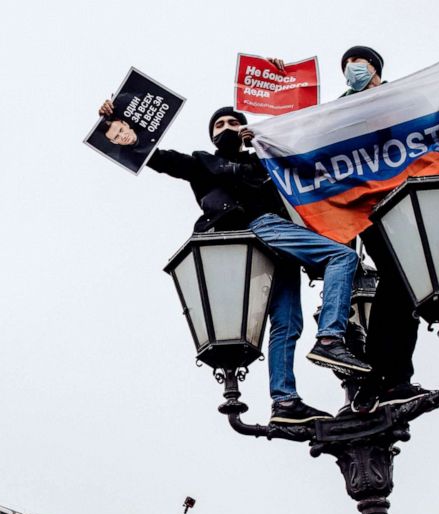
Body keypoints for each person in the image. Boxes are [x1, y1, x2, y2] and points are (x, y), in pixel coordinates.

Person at [98, 100, 371, 425]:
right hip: (259, 228)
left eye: (232, 123)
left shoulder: (265, 163)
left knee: (287, 322)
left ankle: (284, 401)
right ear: (213, 136)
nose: (225, 127)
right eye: (219, 124)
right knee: (342, 256)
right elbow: (159, 159)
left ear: (244, 131)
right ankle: (329, 338)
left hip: (279, 244)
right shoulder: (202, 163)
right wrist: (117, 121)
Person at [337, 46, 439, 412]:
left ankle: (380, 378)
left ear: (376, 68)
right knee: (402, 281)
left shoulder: (401, 101)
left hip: (406, 206)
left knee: (402, 287)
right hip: (369, 210)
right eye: (348, 65)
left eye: (359, 63)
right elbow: (302, 139)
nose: (353, 69)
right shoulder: (337, 112)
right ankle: (392, 378)